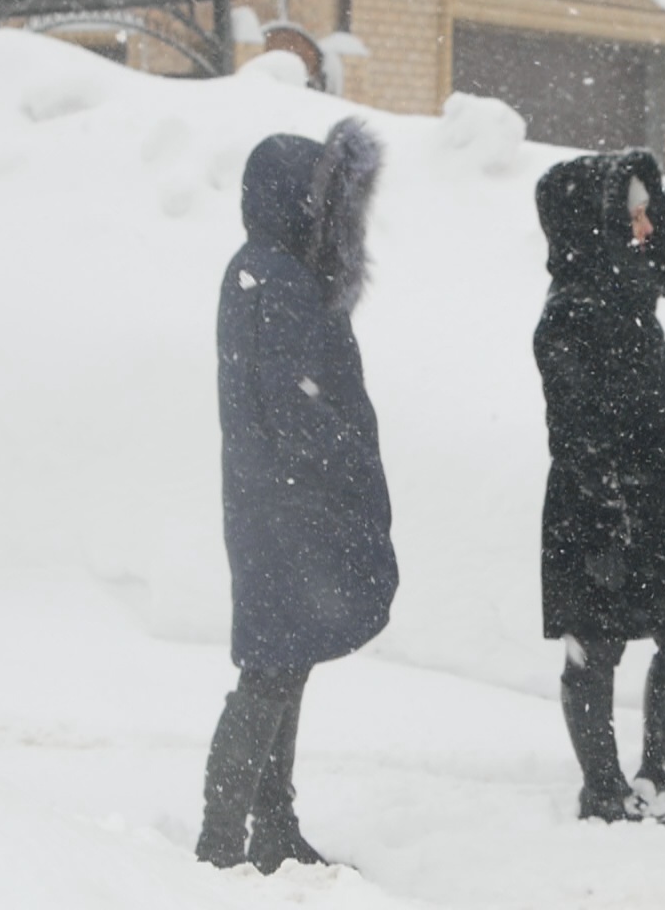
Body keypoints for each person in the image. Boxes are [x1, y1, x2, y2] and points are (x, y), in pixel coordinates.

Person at [196, 119, 399, 872]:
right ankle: (219, 845)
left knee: (286, 662)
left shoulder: (274, 271)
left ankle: (274, 827)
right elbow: (294, 407)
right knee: (270, 670)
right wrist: (343, 468)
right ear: (293, 202)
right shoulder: (270, 279)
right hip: (285, 505)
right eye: (324, 201)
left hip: (285, 502)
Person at [532, 148, 665, 823]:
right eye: (633, 214)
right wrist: (606, 523)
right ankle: (603, 790)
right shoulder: (568, 315)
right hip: (599, 501)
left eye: (649, 214)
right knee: (596, 645)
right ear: (596, 222)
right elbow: (578, 433)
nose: (646, 229)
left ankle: (663, 772)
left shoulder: (636, 299)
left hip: (662, 491)